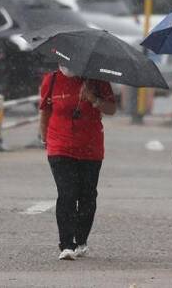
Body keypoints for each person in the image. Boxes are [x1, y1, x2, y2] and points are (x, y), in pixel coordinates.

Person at [39, 65, 116, 260]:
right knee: (67, 193)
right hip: (60, 146)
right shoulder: (52, 79)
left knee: (87, 196)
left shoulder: (97, 80)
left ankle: (81, 240)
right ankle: (66, 244)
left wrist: (94, 99)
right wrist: (44, 138)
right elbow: (45, 110)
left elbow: (111, 109)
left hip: (90, 148)